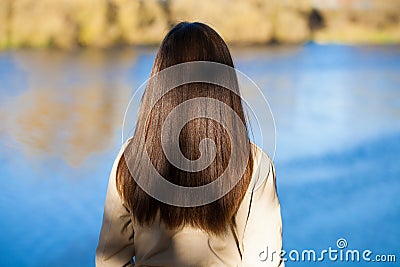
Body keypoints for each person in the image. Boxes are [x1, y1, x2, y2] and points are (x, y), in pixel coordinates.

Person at [96, 22, 283, 267]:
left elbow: (110, 259)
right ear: (224, 85)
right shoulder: (254, 163)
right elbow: (264, 262)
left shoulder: (131, 157)